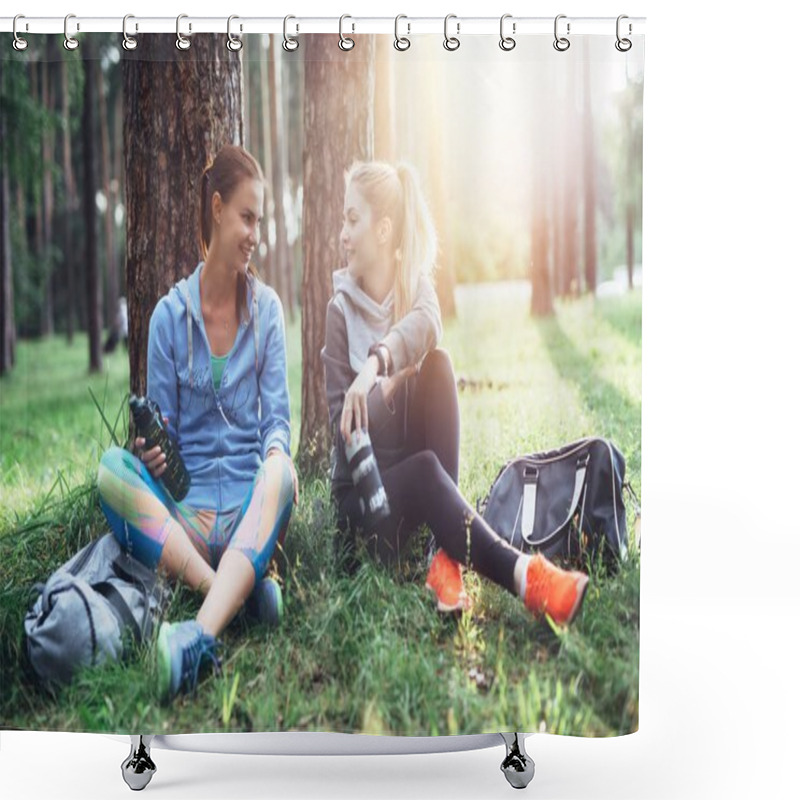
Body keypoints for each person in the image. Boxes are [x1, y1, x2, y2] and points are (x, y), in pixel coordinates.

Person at [322, 159, 589, 626]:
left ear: (383, 230)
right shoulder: (339, 310)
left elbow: (429, 324)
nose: (343, 233)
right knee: (425, 469)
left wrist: (376, 366)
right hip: (364, 508)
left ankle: (444, 559)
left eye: (352, 219)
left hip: (414, 503)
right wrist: (386, 388)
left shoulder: (414, 291)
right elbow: (339, 438)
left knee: (439, 364)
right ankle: (528, 578)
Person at [96, 144, 298, 703]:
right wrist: (151, 455)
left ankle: (198, 635)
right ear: (216, 208)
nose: (255, 232)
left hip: (243, 519)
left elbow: (276, 421)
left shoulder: (269, 312)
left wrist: (276, 454)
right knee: (112, 470)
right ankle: (233, 595)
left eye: (260, 220)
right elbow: (164, 438)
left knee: (283, 472)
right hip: (184, 522)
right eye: (247, 216)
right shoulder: (167, 317)